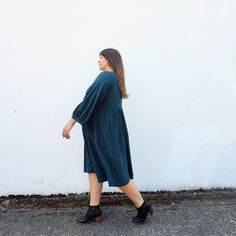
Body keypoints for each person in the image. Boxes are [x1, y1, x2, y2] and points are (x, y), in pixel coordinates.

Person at [62, 48, 154, 224]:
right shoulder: (114, 78)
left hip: (104, 131)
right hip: (103, 130)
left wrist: (70, 123)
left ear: (109, 60)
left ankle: (142, 205)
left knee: (115, 169)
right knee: (94, 167)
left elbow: (89, 102)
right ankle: (94, 208)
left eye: (101, 57)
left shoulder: (106, 77)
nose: (98, 60)